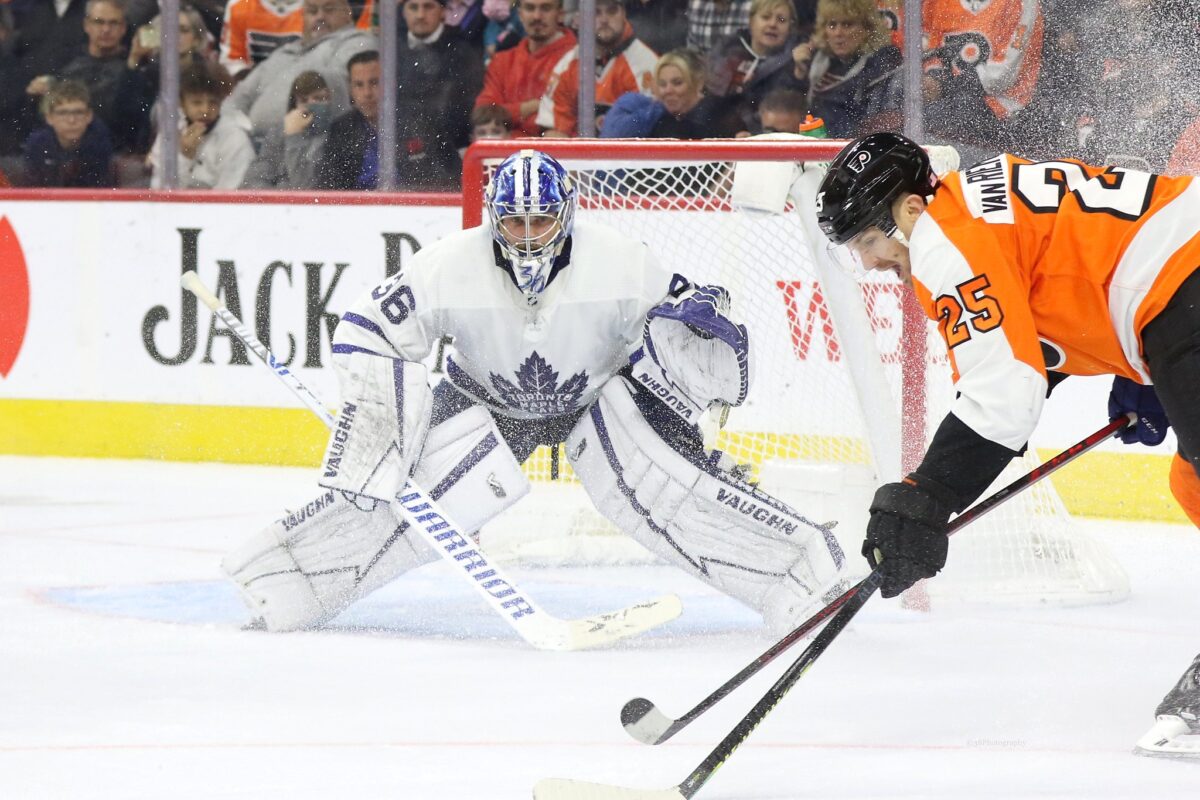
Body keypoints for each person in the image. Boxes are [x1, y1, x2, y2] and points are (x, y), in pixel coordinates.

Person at [221, 149, 849, 639]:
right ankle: (286, 580)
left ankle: (795, 575)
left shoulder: (620, 260)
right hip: (484, 400)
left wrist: (699, 322)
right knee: (407, 497)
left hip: (595, 398)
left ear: (567, 213)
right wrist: (377, 437)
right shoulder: (448, 263)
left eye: (540, 220)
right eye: (513, 220)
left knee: (664, 485)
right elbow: (365, 328)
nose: (526, 235)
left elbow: (683, 310)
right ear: (493, 214)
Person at [814, 132, 1200, 757]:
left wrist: (929, 492)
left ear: (909, 210)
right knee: (1191, 482)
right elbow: (1058, 299)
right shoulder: (968, 207)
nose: (868, 261)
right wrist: (1144, 364)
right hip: (1178, 286)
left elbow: (1006, 393)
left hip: (1183, 288)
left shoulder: (945, 238)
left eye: (866, 240)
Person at [223, 0, 376, 143]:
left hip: (309, 144)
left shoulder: (357, 42)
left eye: (329, 10)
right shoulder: (284, 53)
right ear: (303, 17)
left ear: (347, 13)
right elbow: (237, 99)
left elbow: (333, 91)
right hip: (253, 145)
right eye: (312, 11)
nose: (320, 17)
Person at [29, 0, 152, 153]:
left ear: (123, 28)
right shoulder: (66, 62)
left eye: (113, 23)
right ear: (87, 25)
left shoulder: (136, 66)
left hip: (115, 149)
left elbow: (128, 118)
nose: (106, 30)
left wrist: (132, 64)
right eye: (99, 22)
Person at [393, 0, 484, 191]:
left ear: (442, 11)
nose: (420, 15)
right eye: (413, 7)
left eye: (428, 6)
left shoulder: (463, 52)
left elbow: (463, 110)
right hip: (398, 148)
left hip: (448, 154)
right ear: (403, 12)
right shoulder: (390, 50)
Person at [536, 0, 657, 137]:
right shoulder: (567, 65)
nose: (604, 20)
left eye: (612, 11)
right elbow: (552, 130)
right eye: (596, 12)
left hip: (625, 156)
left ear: (624, 13)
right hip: (579, 155)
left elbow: (648, 135)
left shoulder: (645, 65)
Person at [789, 0, 899, 138]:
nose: (838, 33)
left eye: (847, 24)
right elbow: (790, 112)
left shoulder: (883, 60)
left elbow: (855, 112)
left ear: (867, 28)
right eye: (832, 25)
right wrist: (798, 75)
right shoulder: (817, 61)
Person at [474, 0, 576, 137]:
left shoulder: (576, 59)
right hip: (503, 154)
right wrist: (531, 107)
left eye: (545, 8)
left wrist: (510, 113)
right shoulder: (502, 61)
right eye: (529, 8)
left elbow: (567, 123)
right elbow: (484, 114)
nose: (537, 16)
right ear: (520, 14)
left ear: (560, 15)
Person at [704, 0, 805, 134]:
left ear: (790, 28)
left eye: (781, 20)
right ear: (751, 21)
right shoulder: (725, 52)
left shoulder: (796, 62)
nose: (772, 24)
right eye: (765, 17)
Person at [149, 63, 254, 189]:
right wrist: (184, 157)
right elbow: (158, 189)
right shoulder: (170, 133)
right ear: (181, 103)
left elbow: (231, 194)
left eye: (213, 102)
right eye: (196, 102)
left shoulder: (235, 139)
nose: (205, 110)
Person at [241, 70, 332, 189]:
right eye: (303, 101)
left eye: (320, 99)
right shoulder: (280, 131)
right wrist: (272, 200)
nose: (310, 106)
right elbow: (255, 177)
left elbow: (305, 187)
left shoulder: (339, 136)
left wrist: (294, 137)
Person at [22, 79, 114, 187]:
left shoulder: (99, 143)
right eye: (62, 113)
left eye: (78, 112)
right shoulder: (37, 144)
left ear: (89, 116)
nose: (71, 120)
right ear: (49, 118)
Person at [313, 49, 380, 189]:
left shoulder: (416, 122)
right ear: (351, 90)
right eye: (359, 85)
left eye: (374, 82)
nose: (367, 93)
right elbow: (328, 187)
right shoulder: (341, 129)